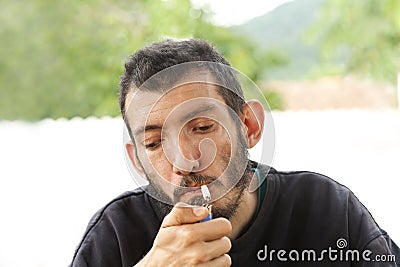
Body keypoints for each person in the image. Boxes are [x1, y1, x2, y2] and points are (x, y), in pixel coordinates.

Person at [70, 39, 399, 266]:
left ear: (249, 126)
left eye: (202, 128)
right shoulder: (114, 236)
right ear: (136, 160)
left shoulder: (326, 210)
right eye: (154, 144)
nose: (184, 160)